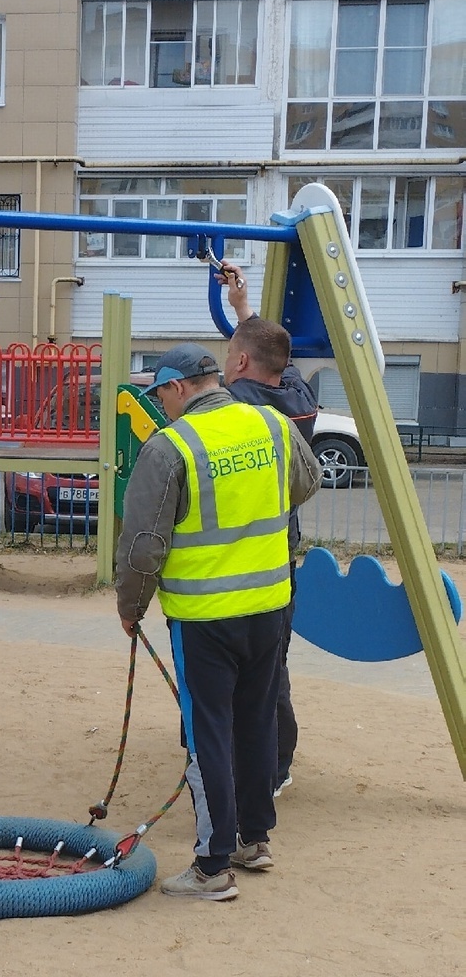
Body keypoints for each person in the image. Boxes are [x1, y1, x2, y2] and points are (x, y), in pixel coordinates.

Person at [115, 343, 321, 901]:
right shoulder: (272, 425)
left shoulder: (171, 446)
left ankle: (212, 866)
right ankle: (254, 840)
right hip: (270, 606)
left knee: (207, 735)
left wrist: (131, 606)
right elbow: (307, 482)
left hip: (204, 617)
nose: (159, 405)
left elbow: (144, 544)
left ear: (179, 387)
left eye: (159, 394)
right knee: (256, 722)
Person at [217, 262, 318, 793]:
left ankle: (266, 762)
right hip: (281, 553)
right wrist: (242, 308)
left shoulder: (238, 407)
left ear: (239, 362)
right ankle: (277, 759)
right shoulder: (298, 400)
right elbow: (277, 356)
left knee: (246, 666)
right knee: (271, 659)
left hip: (240, 557)